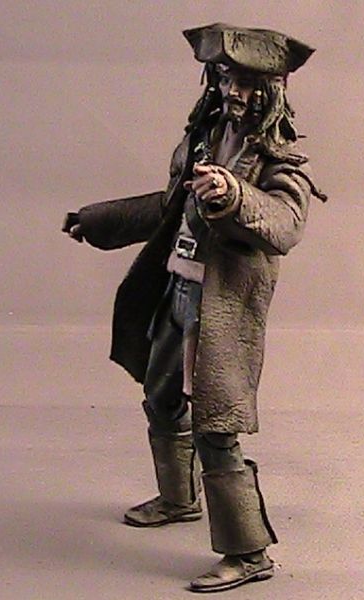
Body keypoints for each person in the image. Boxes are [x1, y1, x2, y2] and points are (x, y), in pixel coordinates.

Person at [62, 22, 326, 593]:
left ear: (273, 90)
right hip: (177, 293)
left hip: (222, 310)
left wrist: (233, 196)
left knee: (216, 428)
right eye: (226, 78)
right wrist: (98, 220)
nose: (234, 92)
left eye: (248, 83)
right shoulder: (203, 139)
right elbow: (168, 207)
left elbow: (285, 225)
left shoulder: (280, 159)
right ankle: (179, 499)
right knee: (160, 399)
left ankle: (248, 552)